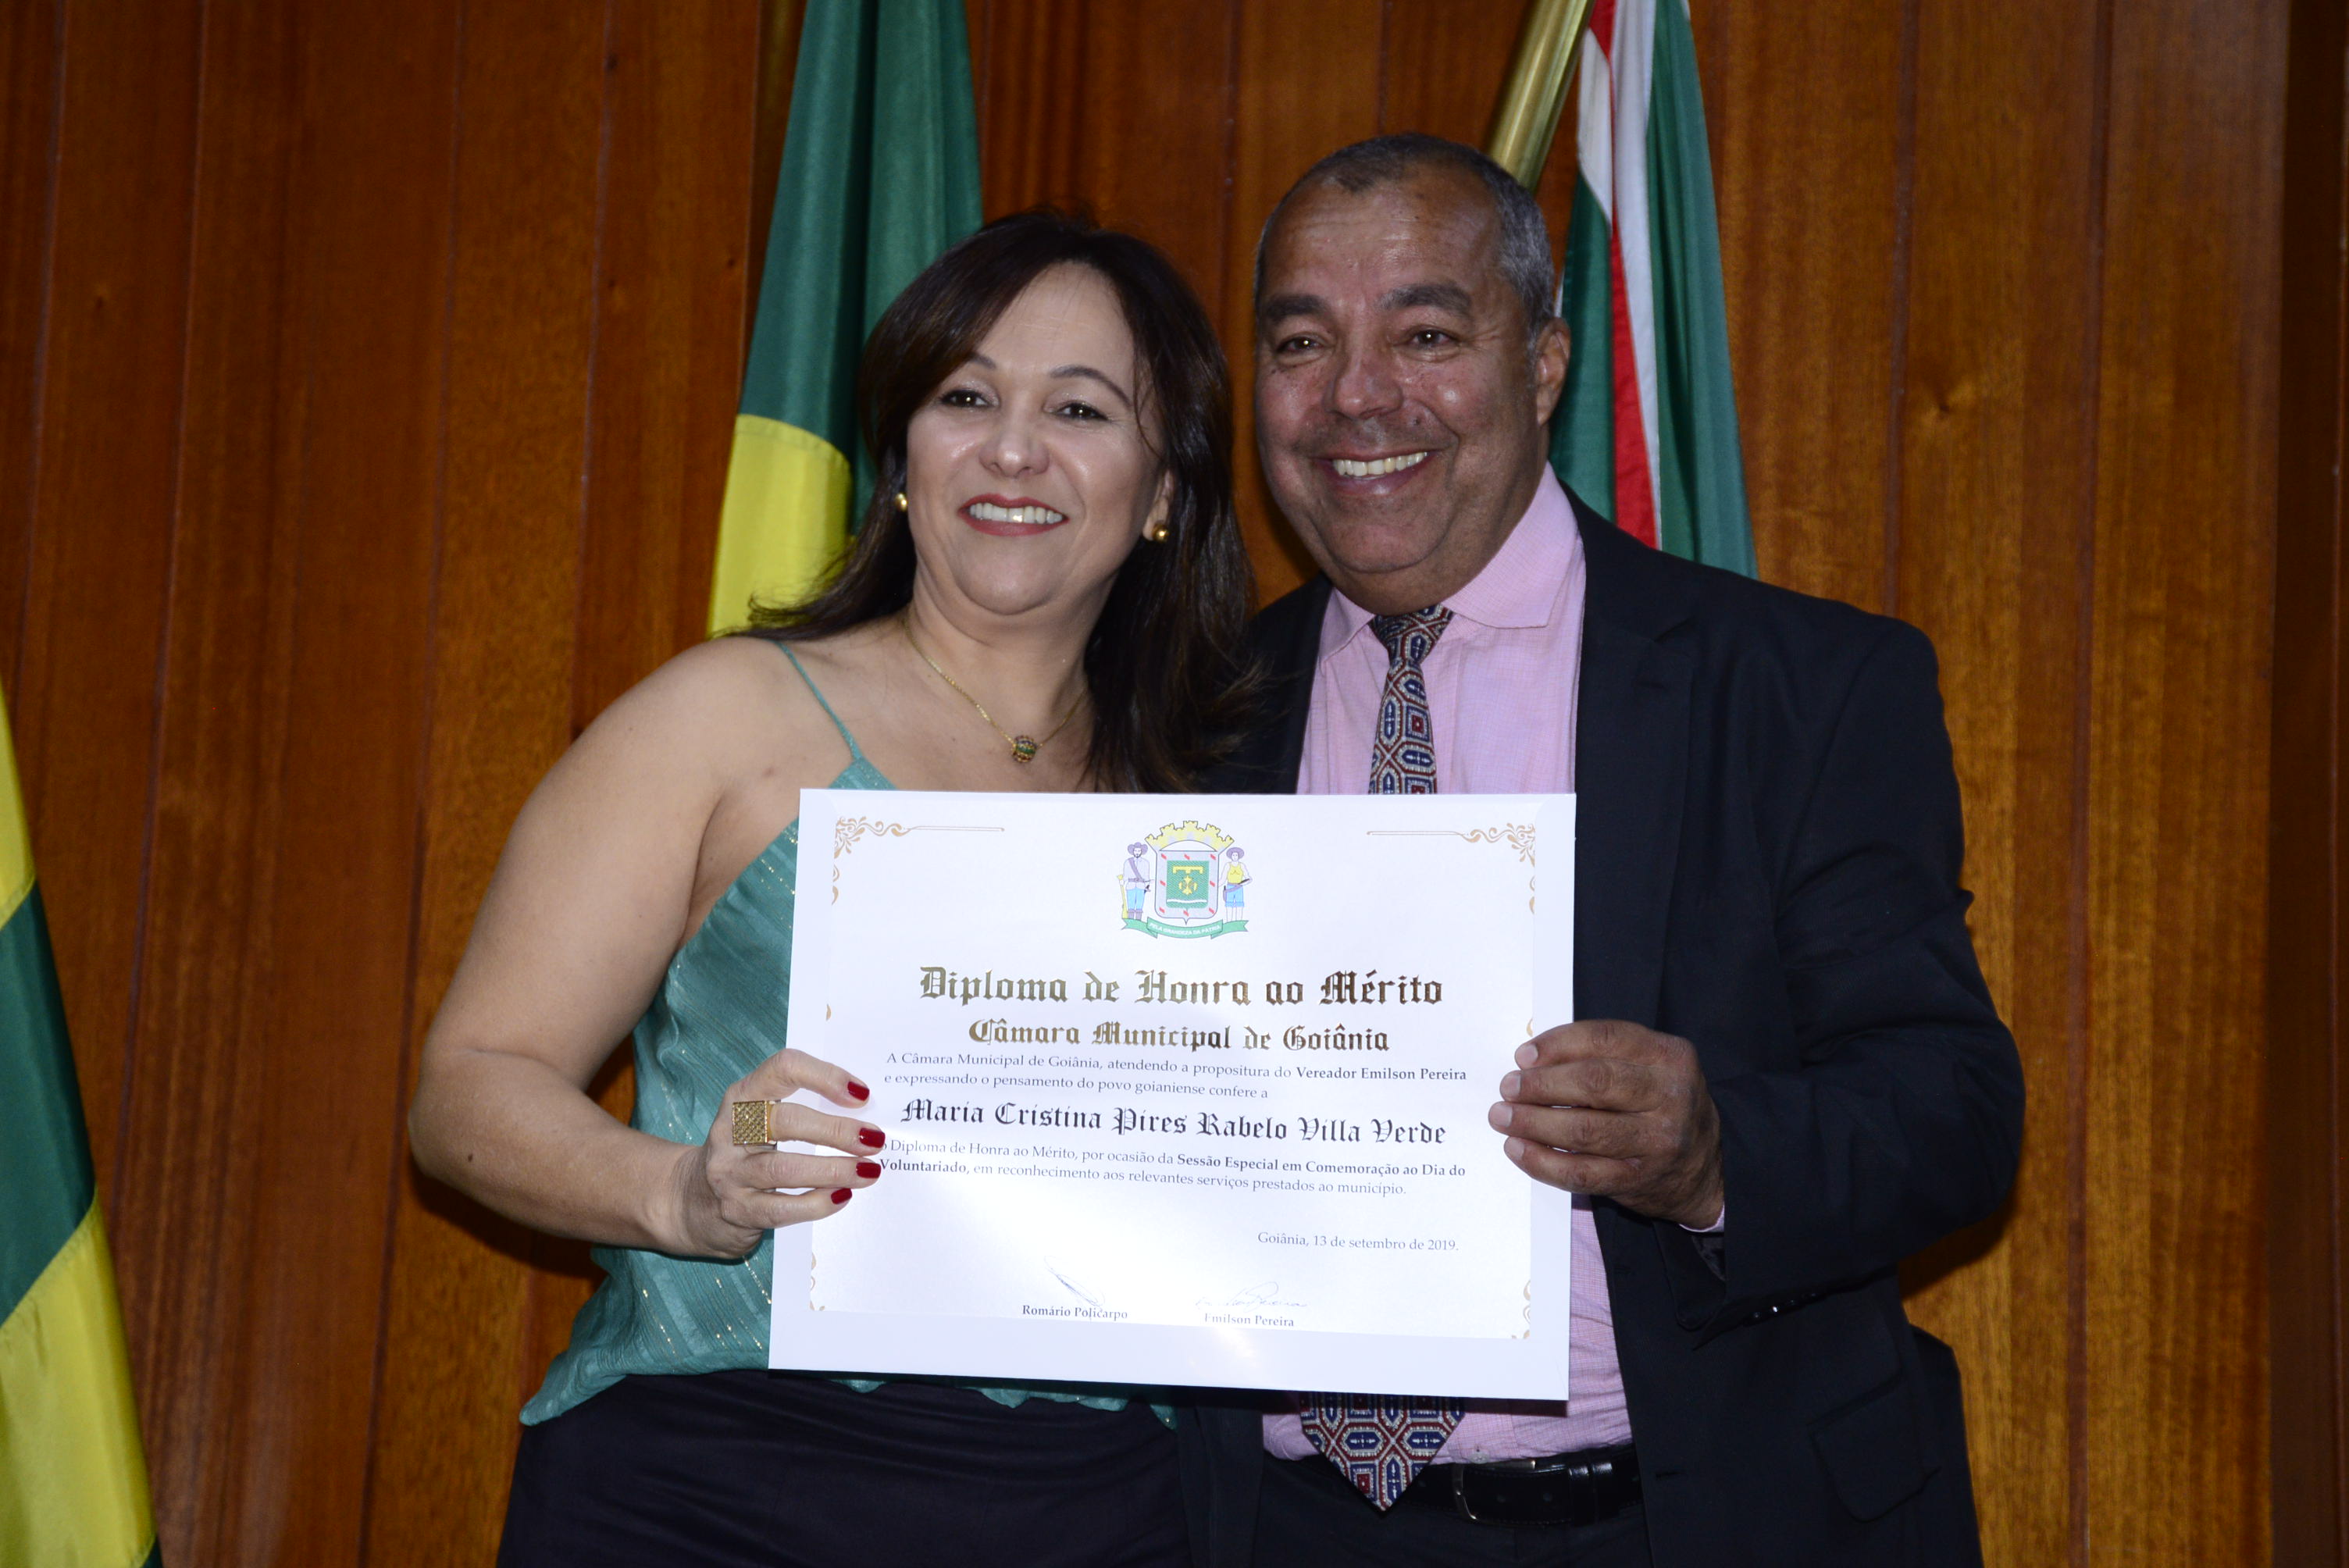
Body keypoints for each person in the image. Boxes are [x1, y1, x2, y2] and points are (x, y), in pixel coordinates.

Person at [1182, 134, 2024, 1567]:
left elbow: (1953, 1111)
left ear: (1545, 366)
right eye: (1301, 341)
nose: (1357, 395)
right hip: (1283, 1527)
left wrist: (1712, 1155)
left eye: (1427, 334)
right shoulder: (1185, 716)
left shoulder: (1800, 688)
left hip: (1688, 1519)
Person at [408, 209, 1254, 1568]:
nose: (1013, 448)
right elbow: (468, 1090)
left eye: (1081, 409)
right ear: (904, 458)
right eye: (965, 396)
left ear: (1164, 492)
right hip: (712, 1481)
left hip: (1101, 1502)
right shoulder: (728, 715)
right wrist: (682, 1195)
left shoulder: (1222, 821)